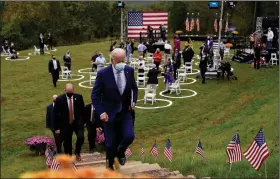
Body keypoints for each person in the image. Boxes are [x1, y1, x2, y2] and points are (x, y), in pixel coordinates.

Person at [91, 48, 138, 170]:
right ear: (112, 60)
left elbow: (134, 88)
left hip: (125, 111)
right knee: (110, 142)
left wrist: (133, 102)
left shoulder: (129, 71)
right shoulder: (103, 74)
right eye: (119, 61)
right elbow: (94, 95)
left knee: (129, 136)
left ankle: (121, 151)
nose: (122, 63)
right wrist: (101, 112)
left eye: (123, 60)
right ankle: (110, 165)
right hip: (109, 113)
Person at [54, 83, 85, 161]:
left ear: (73, 90)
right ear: (65, 90)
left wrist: (84, 121)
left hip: (77, 122)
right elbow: (55, 114)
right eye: (68, 93)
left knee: (81, 137)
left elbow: (83, 110)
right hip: (66, 124)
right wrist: (57, 127)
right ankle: (69, 157)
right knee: (67, 142)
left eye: (71, 93)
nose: (70, 95)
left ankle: (77, 152)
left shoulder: (79, 97)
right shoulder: (59, 99)